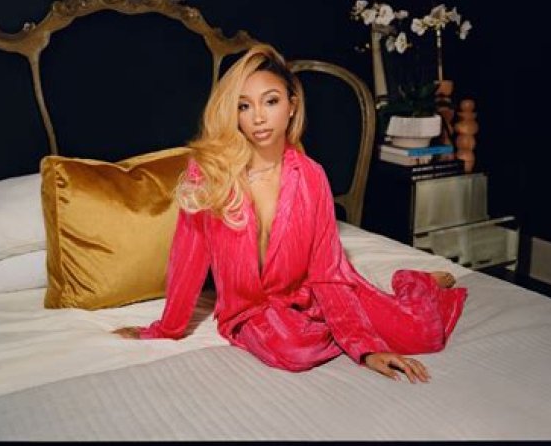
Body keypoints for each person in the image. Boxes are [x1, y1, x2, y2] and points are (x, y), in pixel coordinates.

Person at [114, 44, 467, 383]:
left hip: (316, 293)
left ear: (292, 106)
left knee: (423, 334)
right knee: (295, 350)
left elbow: (327, 271)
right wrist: (167, 328)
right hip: (252, 309)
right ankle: (341, 323)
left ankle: (414, 282)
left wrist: (365, 346)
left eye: (271, 101)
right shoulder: (210, 174)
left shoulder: (311, 176)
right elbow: (187, 257)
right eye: (244, 106)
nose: (258, 117)